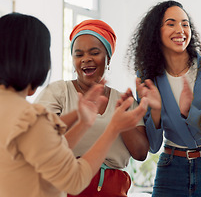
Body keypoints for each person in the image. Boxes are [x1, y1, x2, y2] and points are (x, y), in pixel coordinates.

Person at [0, 13, 148, 197]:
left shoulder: (18, 114)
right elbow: (75, 179)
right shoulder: (31, 117)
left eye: (94, 53)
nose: (86, 59)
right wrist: (113, 129)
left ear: (108, 58)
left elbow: (48, 145)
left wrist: (81, 119)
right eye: (78, 54)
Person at [128, 0, 201, 196]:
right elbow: (152, 146)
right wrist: (157, 111)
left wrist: (190, 113)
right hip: (170, 167)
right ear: (156, 32)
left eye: (185, 24)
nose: (180, 30)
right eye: (171, 24)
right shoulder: (147, 77)